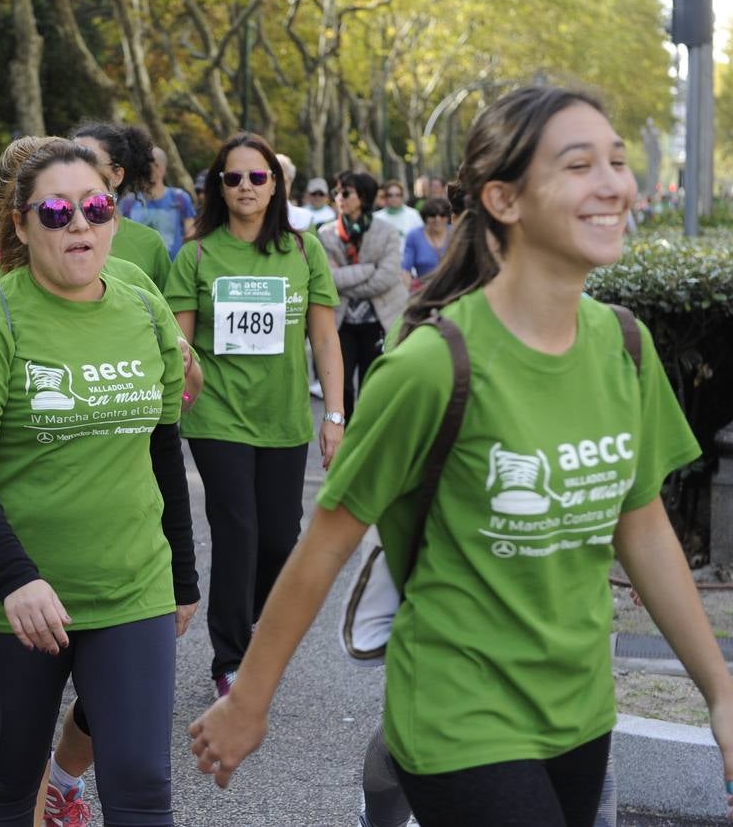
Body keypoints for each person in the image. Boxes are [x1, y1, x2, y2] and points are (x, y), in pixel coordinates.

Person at [188, 85, 733, 827]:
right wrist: (247, 702)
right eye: (580, 165)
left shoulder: (624, 344)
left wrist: (721, 691)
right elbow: (323, 546)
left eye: (616, 160)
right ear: (504, 199)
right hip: (457, 714)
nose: (613, 183)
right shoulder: (431, 366)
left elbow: (641, 526)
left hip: (579, 711)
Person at [0, 139, 198, 825]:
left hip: (131, 587)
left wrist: (182, 576)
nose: (81, 224)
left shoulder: (142, 303)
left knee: (141, 787)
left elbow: (163, 448)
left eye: (97, 208)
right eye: (57, 212)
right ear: (20, 223)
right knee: (9, 782)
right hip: (14, 602)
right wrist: (16, 577)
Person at [164, 132, 344, 698]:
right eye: (234, 177)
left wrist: (335, 415)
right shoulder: (196, 254)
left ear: (275, 185)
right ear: (220, 186)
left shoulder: (304, 250)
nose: (246, 187)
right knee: (237, 530)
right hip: (217, 416)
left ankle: (257, 621)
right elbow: (180, 345)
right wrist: (178, 395)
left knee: (279, 538)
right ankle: (230, 659)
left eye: (257, 177)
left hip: (284, 417)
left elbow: (325, 339)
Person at [318, 171, 408, 418]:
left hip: (378, 323)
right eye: (336, 192)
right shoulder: (325, 234)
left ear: (363, 197)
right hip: (341, 323)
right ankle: (343, 442)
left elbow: (387, 278)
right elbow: (327, 279)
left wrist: (345, 277)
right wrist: (368, 270)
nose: (339, 197)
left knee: (373, 387)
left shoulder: (386, 231)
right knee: (342, 387)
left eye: (346, 193)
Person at [72, 122, 173, 289]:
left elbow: (166, 311)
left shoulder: (149, 242)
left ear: (117, 175)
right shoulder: (53, 234)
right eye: (70, 160)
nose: (76, 170)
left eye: (90, 162)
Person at [118, 146, 196, 258]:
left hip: (172, 270)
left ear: (161, 168)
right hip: (137, 270)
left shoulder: (179, 198)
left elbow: (191, 234)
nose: (146, 169)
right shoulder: (128, 203)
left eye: (151, 165)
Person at [401, 196, 453, 291]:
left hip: (454, 290)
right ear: (425, 217)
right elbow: (406, 270)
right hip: (425, 292)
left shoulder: (456, 232)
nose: (437, 219)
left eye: (442, 215)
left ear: (447, 216)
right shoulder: (414, 236)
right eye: (433, 215)